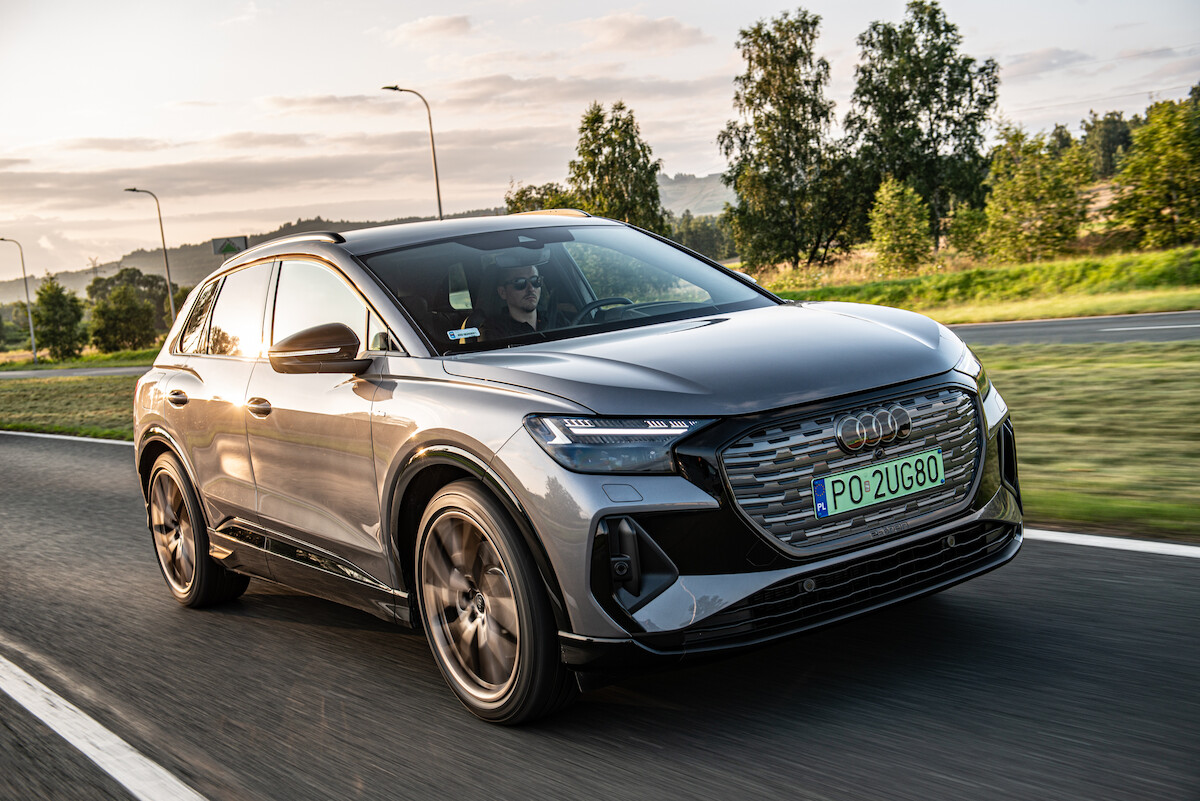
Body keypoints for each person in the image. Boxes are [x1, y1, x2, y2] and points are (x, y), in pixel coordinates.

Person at [482, 264, 544, 339]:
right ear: (503, 292)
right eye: (520, 283)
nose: (531, 288)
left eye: (535, 280)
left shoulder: (558, 320)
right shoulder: (494, 333)